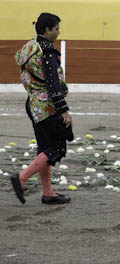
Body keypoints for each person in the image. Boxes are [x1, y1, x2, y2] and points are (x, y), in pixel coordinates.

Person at [11, 13, 73, 205]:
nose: (58, 32)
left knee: (44, 149)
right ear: (47, 30)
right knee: (57, 148)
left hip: (33, 102)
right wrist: (63, 109)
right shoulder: (47, 50)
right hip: (47, 106)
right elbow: (53, 83)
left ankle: (48, 193)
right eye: (56, 29)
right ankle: (22, 178)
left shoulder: (30, 46)